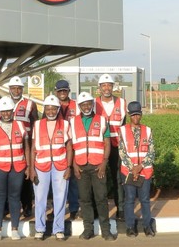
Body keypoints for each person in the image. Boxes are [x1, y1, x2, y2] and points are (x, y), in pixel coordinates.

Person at [0, 96, 30, 241]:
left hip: (18, 167)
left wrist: (28, 166)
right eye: (3, 111)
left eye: (9, 111)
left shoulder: (21, 126)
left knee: (15, 198)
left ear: (12, 111)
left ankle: (15, 229)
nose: (6, 114)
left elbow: (27, 148)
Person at [70, 92, 115, 240]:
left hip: (97, 166)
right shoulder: (73, 122)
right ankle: (88, 229)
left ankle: (106, 230)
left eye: (89, 103)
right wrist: (74, 165)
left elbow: (107, 143)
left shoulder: (102, 120)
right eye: (83, 104)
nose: (86, 106)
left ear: (92, 104)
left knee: (101, 198)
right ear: (79, 106)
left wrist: (104, 162)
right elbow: (70, 145)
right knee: (85, 199)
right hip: (81, 166)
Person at [28, 95, 72, 240]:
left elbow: (69, 147)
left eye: (54, 108)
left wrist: (69, 166)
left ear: (58, 109)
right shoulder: (38, 124)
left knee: (60, 198)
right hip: (41, 166)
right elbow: (33, 147)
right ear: (44, 109)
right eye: (48, 108)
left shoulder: (65, 124)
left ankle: (58, 229)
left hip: (60, 166)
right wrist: (31, 168)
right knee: (40, 198)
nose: (51, 111)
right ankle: (40, 229)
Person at [118, 101, 156, 237]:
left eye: (138, 114)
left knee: (145, 199)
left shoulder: (148, 130)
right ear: (129, 115)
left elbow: (152, 152)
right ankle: (130, 227)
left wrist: (140, 166)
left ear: (141, 114)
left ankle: (147, 226)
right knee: (129, 199)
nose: (135, 117)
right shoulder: (122, 130)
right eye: (133, 114)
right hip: (128, 171)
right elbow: (122, 151)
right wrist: (132, 168)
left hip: (145, 171)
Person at [94, 73, 127, 220]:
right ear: (99, 88)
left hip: (116, 146)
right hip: (99, 146)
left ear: (113, 87)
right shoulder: (93, 103)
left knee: (117, 178)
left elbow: (125, 126)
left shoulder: (121, 103)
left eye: (109, 85)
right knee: (98, 178)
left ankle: (121, 209)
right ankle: (97, 210)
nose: (107, 88)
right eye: (104, 85)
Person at [5, 76, 36, 218]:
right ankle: (9, 207)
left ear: (22, 89)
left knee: (26, 176)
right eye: (13, 88)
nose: (16, 90)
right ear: (9, 89)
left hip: (26, 144)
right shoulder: (3, 102)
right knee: (9, 177)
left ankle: (27, 206)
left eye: (19, 88)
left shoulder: (30, 104)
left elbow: (35, 124)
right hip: (8, 146)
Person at [54, 80, 79, 220]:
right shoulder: (52, 105)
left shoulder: (76, 105)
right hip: (57, 147)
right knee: (58, 181)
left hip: (73, 145)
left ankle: (74, 207)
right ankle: (58, 209)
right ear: (56, 92)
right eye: (60, 91)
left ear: (68, 91)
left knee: (73, 179)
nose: (62, 93)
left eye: (65, 91)